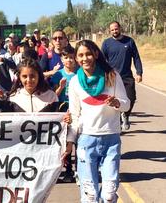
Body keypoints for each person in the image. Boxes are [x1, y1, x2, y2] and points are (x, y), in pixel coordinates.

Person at [65, 40, 130, 203]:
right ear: (76, 58)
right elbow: (75, 114)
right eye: (80, 55)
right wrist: (70, 141)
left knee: (108, 195)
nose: (84, 58)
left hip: (111, 140)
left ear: (95, 54)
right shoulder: (74, 82)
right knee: (90, 195)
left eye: (88, 54)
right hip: (86, 140)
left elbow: (126, 104)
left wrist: (117, 103)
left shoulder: (112, 76)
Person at [102, 21, 143, 131]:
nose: (114, 31)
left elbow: (136, 57)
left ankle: (125, 114)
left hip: (126, 76)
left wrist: (139, 72)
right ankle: (117, 122)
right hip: (111, 77)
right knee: (112, 99)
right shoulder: (106, 43)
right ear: (109, 31)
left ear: (119, 28)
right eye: (112, 30)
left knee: (131, 97)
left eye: (116, 29)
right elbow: (102, 60)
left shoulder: (129, 41)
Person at [49, 45, 78, 183]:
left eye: (72, 58)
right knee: (66, 142)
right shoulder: (58, 74)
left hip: (78, 111)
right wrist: (60, 87)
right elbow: (53, 96)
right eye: (66, 58)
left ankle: (79, 169)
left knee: (78, 140)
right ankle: (68, 170)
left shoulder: (81, 73)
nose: (69, 60)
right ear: (61, 59)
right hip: (63, 111)